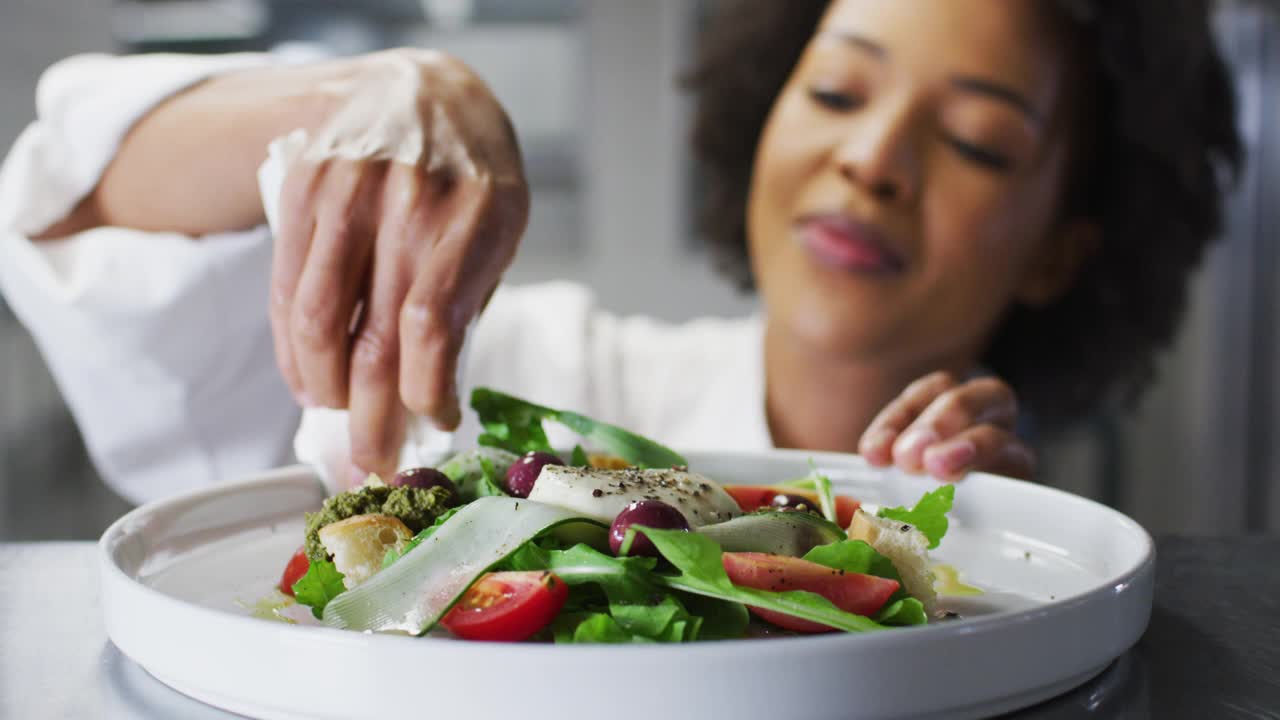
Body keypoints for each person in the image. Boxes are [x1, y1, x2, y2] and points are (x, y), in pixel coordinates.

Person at [0, 0, 1240, 503]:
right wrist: (367, 93)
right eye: (834, 93)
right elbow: (69, 207)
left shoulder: (1015, 526)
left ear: (1062, 251)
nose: (870, 160)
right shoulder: (514, 375)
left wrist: (958, 578)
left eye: (973, 142)